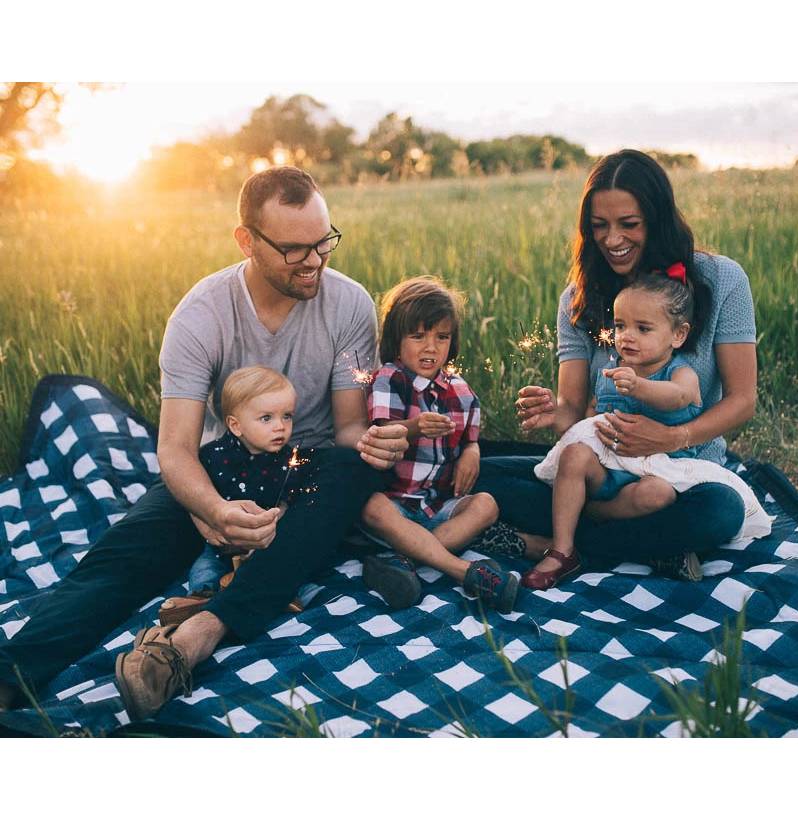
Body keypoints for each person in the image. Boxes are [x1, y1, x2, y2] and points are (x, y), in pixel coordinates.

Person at [0, 166, 409, 721]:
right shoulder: (201, 314)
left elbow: (346, 430)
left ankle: (194, 638)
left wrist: (378, 443)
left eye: (323, 242)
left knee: (345, 468)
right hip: (226, 471)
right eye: (294, 249)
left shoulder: (350, 305)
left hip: (310, 467)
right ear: (247, 240)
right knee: (122, 555)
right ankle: (11, 676)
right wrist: (212, 508)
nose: (314, 260)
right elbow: (174, 450)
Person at [474, 149, 757, 580]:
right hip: (599, 469)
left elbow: (742, 400)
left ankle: (549, 543)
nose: (612, 240)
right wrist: (556, 413)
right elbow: (574, 410)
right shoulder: (578, 298)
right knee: (474, 472)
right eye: (599, 226)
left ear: (657, 220)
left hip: (682, 476)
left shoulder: (721, 281)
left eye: (629, 224)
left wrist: (670, 437)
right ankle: (646, 546)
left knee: (722, 512)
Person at [522, 269, 703, 588]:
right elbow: (586, 423)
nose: (626, 336)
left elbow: (680, 397)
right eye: (620, 326)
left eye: (643, 328)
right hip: (606, 470)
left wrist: (639, 386)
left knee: (660, 495)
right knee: (575, 455)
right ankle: (563, 550)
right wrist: (556, 416)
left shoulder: (680, 372)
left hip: (652, 472)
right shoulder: (610, 372)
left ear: (678, 335)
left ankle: (590, 515)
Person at [359, 276, 519, 613]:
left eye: (441, 337)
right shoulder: (390, 379)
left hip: (438, 508)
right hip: (397, 506)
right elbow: (385, 434)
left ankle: (402, 562)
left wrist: (472, 453)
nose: (431, 348)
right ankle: (462, 571)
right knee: (370, 506)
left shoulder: (460, 391)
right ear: (396, 340)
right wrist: (414, 429)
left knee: (486, 504)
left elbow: (472, 438)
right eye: (417, 336)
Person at [158, 365, 313, 625]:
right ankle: (201, 598)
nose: (280, 427)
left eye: (287, 416)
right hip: (220, 541)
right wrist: (208, 526)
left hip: (264, 540)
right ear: (235, 425)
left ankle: (275, 596)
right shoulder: (213, 456)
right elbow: (194, 500)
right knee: (204, 568)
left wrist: (274, 524)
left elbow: (289, 501)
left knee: (282, 564)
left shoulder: (288, 461)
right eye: (267, 418)